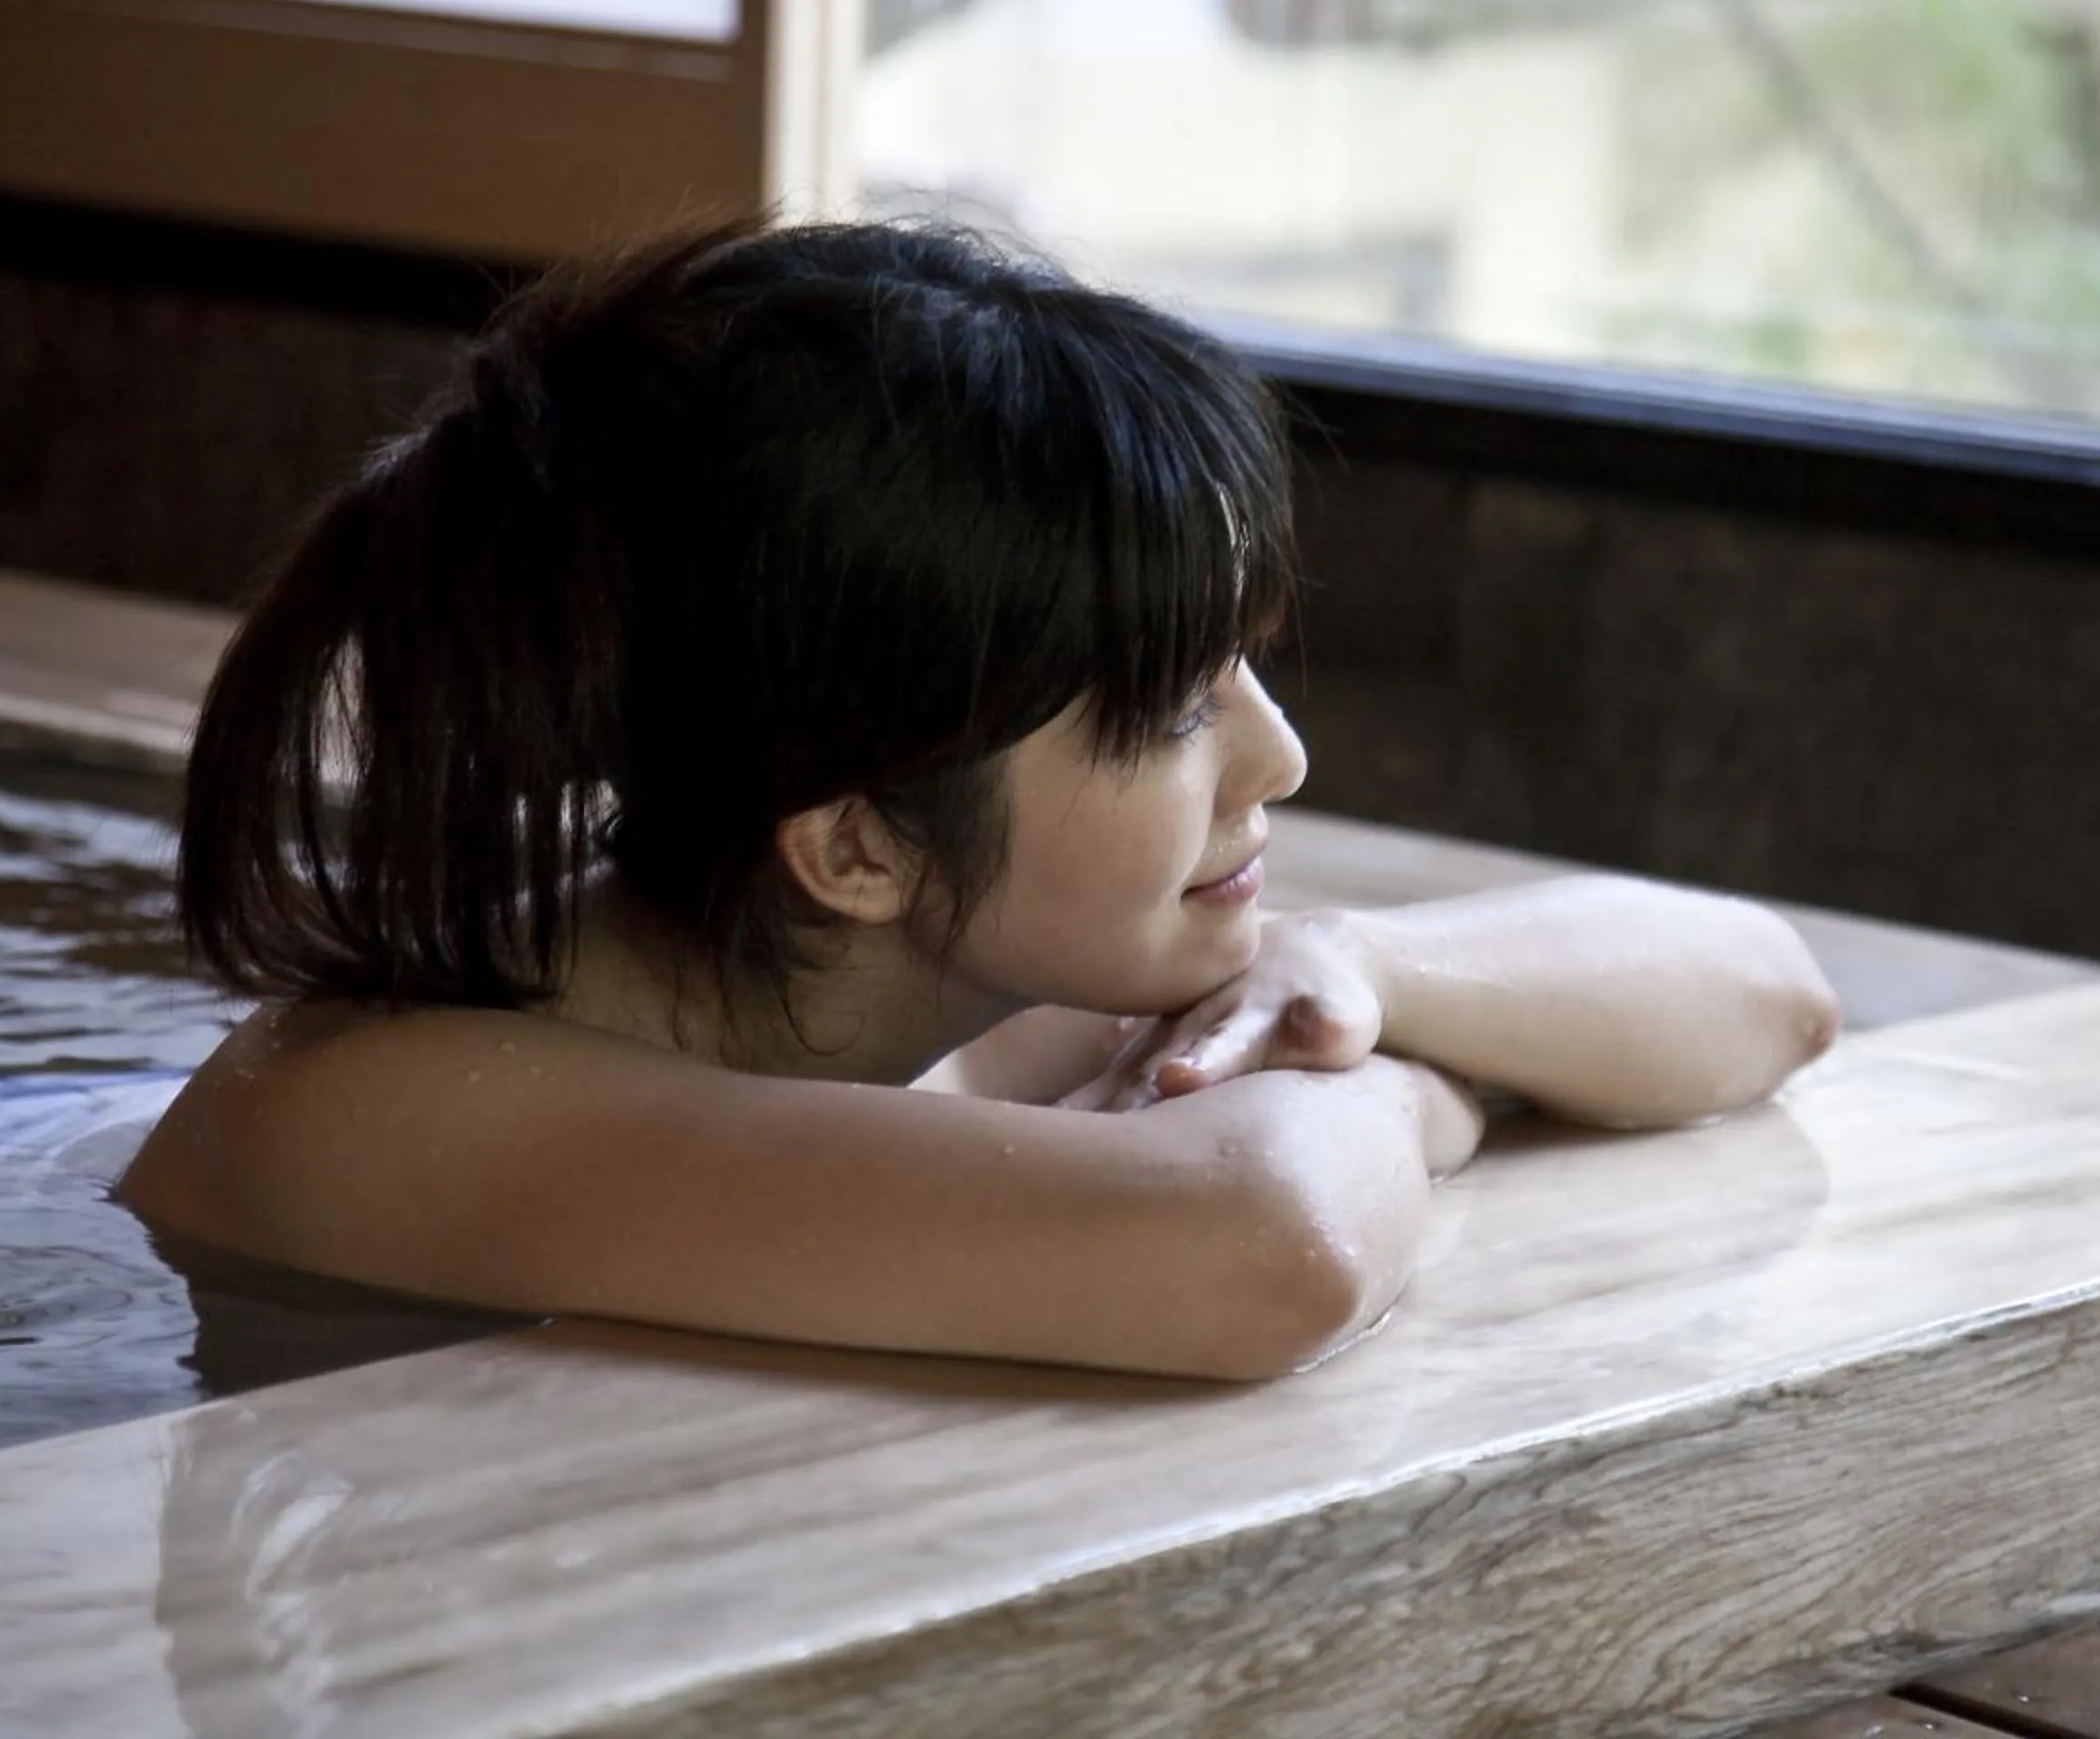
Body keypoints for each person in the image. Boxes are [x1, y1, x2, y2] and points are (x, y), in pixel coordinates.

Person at [118, 219, 1840, 1383]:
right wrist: (1430, 1088)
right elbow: (1267, 1251)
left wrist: (1370, 979)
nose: (1280, 757)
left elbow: (1765, 988)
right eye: (1176, 704)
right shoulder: (407, 1110)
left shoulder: (894, 980)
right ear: (857, 841)